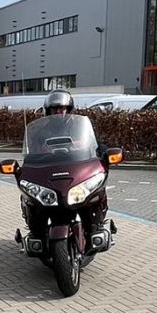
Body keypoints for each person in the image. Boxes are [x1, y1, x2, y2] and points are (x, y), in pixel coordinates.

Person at [38, 90, 112, 248]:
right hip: (50, 172)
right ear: (48, 110)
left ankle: (95, 226)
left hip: (76, 170)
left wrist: (104, 153)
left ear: (69, 109)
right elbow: (30, 151)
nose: (59, 112)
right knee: (34, 200)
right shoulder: (41, 130)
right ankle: (37, 232)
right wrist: (40, 151)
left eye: (62, 108)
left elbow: (96, 144)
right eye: (55, 108)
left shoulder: (79, 125)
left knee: (92, 194)